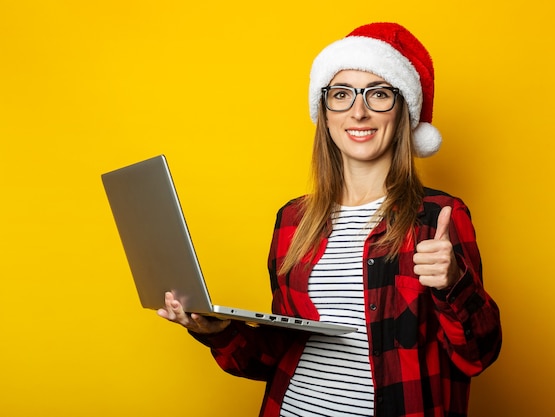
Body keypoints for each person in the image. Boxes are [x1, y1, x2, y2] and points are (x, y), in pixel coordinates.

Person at [158, 22, 502, 417]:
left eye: (378, 94)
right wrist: (215, 332)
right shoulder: (293, 220)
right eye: (341, 95)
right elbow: (276, 356)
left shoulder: (439, 216)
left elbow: (478, 356)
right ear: (324, 113)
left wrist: (453, 284)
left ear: (403, 111)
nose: (358, 111)